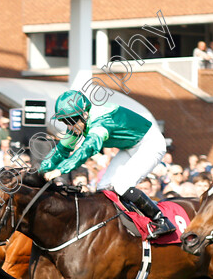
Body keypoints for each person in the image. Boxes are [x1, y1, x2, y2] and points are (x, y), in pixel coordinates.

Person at [40, 90, 175, 238]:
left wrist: (59, 170)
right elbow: (62, 149)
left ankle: (161, 220)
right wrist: (39, 170)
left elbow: (87, 150)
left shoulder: (101, 124)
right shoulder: (80, 122)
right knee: (103, 187)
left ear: (85, 114)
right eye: (65, 122)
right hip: (130, 146)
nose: (69, 126)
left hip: (151, 144)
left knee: (121, 185)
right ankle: (121, 222)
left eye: (71, 121)